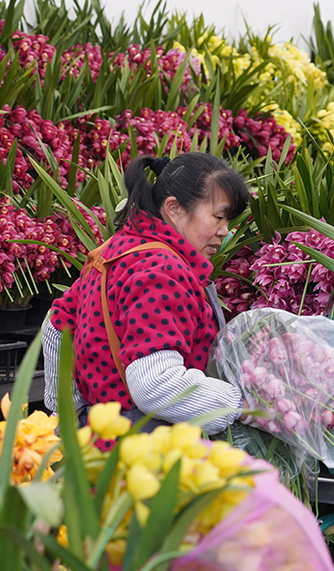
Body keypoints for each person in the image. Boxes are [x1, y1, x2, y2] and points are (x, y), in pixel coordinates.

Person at [42, 152, 248, 435]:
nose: (224, 230)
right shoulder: (163, 271)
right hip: (145, 456)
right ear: (174, 208)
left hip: (97, 444)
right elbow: (155, 384)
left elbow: (56, 325)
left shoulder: (117, 249)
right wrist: (241, 406)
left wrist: (73, 412)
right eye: (218, 217)